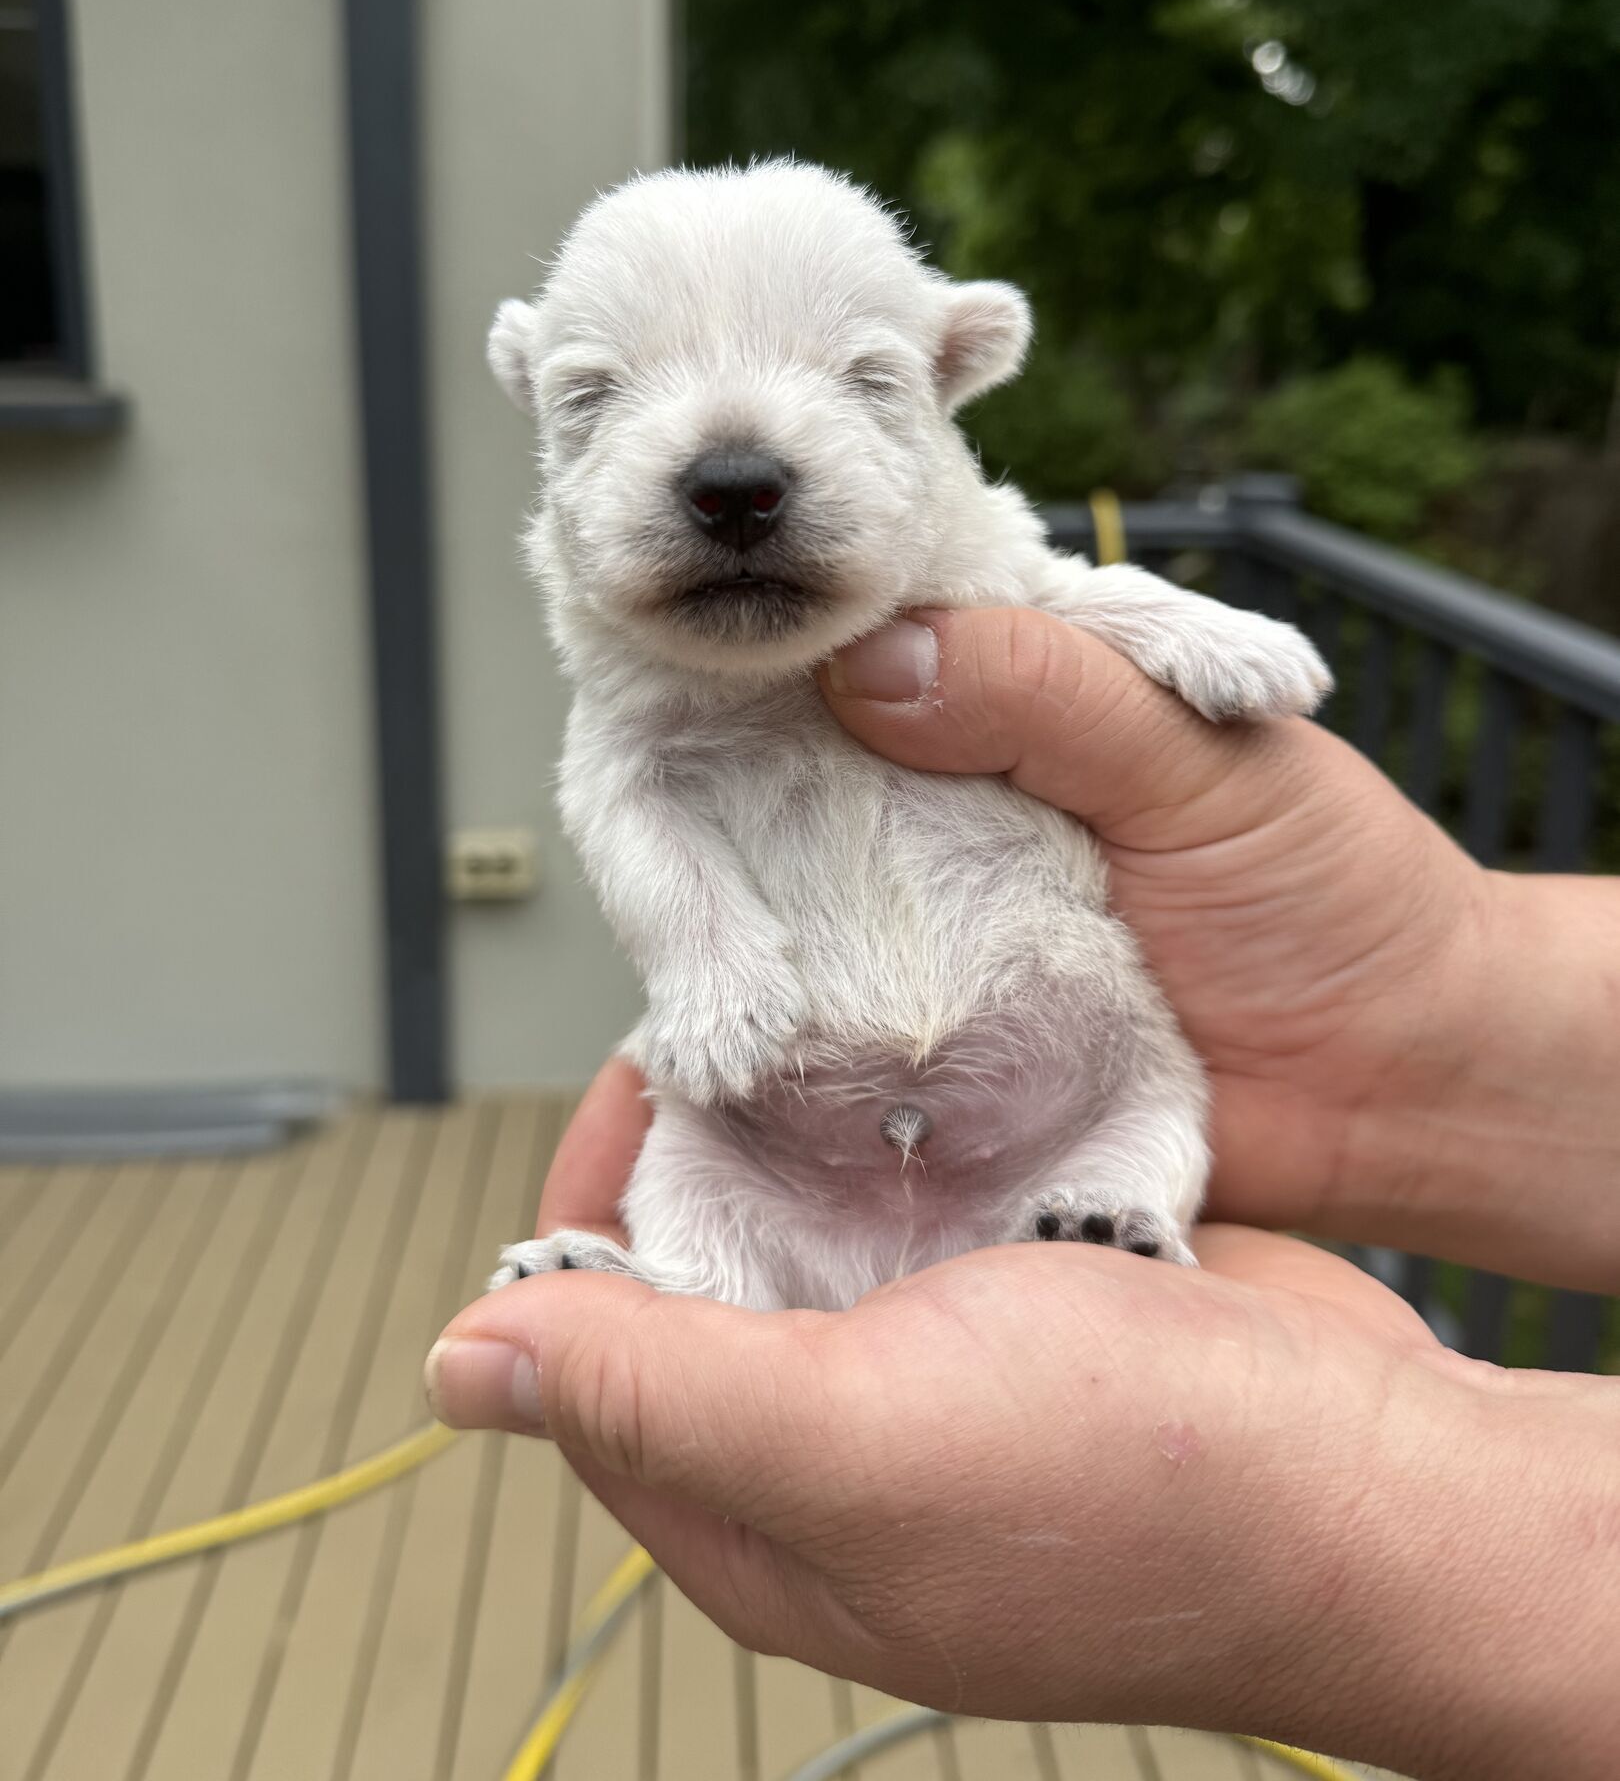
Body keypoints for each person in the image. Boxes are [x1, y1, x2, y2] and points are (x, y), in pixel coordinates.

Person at [424, 608, 1620, 1781]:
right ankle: (680, 1292)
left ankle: (1110, 1221)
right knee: (692, 1156)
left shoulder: (971, 576)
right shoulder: (634, 687)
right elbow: (620, 788)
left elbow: (1040, 582)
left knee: (1141, 1113)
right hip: (794, 1136)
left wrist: (1151, 624)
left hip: (1059, 1113)